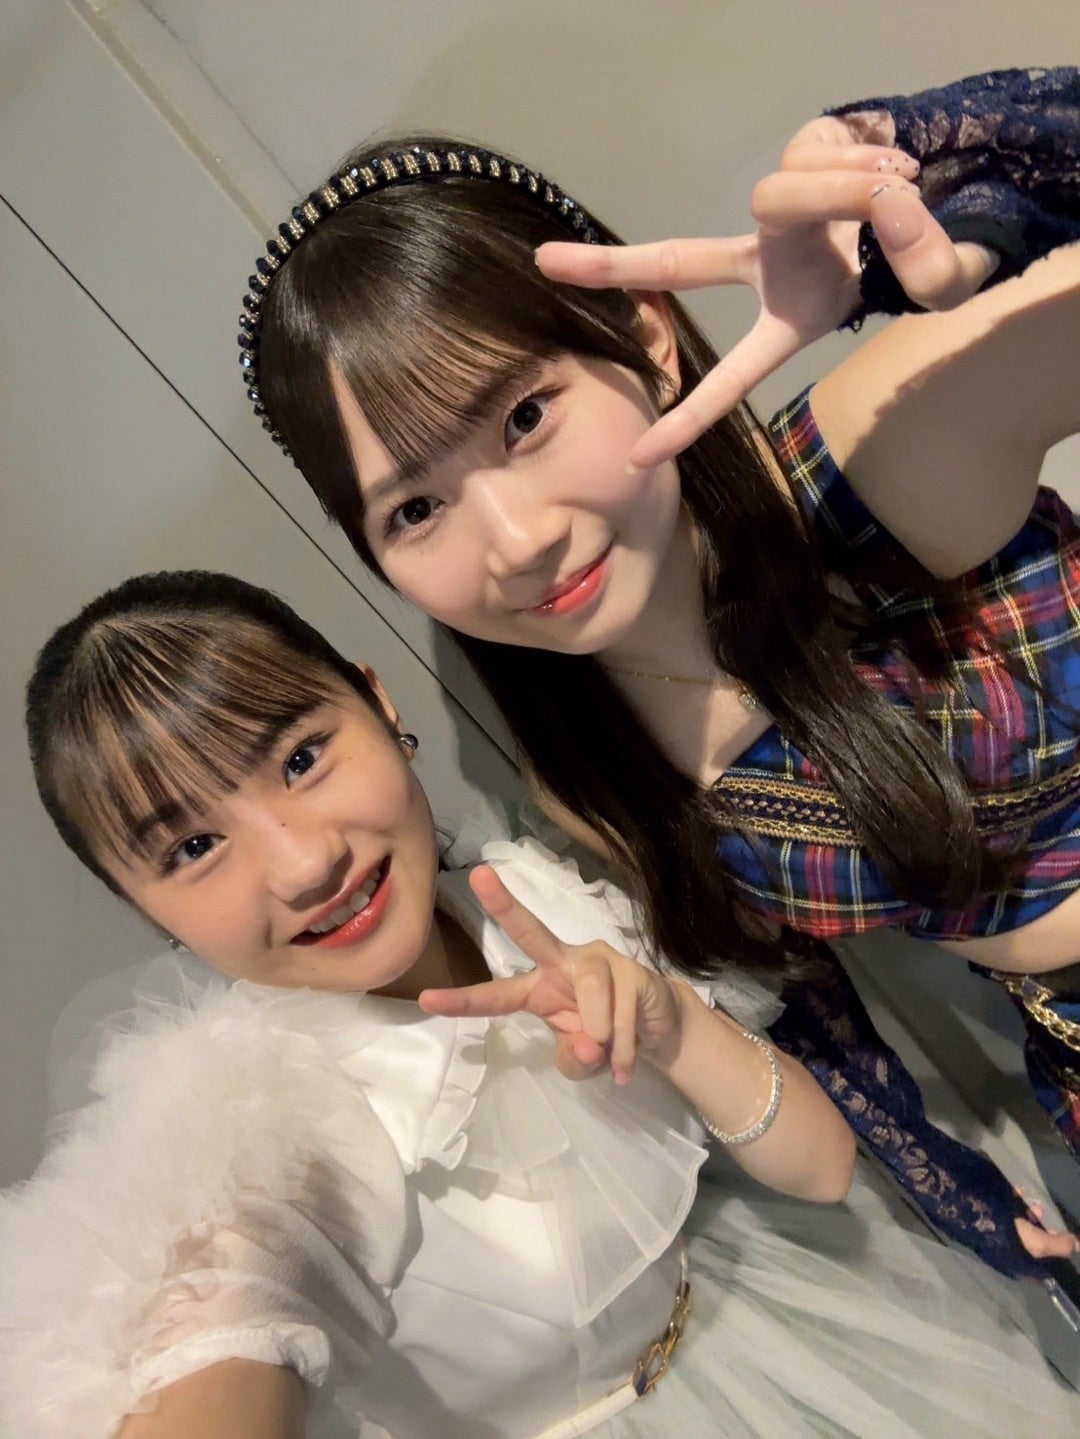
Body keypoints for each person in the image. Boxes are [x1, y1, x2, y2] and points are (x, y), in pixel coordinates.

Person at [234, 68, 1080, 1263]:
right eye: (414, 508)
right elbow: (803, 998)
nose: (516, 541)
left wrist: (940, 188)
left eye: (524, 418)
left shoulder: (872, 467)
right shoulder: (591, 761)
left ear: (644, 336)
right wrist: (963, 1195)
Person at [3, 569, 1076, 1438]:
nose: (302, 862)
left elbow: (826, 1168)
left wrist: (672, 1024)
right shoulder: (253, 1118)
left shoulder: (539, 892)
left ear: (380, 701)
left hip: (795, 1334)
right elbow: (230, 1306)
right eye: (194, 846)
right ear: (140, 907)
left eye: (301, 756)